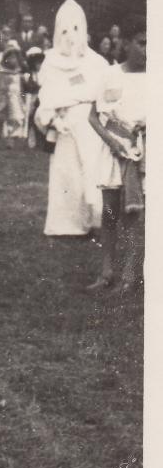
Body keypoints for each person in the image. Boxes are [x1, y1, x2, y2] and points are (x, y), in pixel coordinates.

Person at [34, 0, 109, 236]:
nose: (71, 36)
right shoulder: (51, 62)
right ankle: (65, 225)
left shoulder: (97, 62)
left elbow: (106, 93)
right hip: (65, 124)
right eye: (65, 30)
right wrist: (53, 119)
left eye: (76, 29)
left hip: (91, 123)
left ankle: (94, 220)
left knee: (92, 170)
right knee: (67, 174)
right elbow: (46, 96)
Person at [87, 15, 146, 292]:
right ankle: (107, 271)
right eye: (142, 43)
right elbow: (94, 117)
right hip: (114, 150)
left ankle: (129, 274)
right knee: (109, 212)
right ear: (126, 43)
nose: (147, 50)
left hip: (142, 153)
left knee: (134, 215)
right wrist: (112, 142)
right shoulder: (110, 74)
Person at [0, 40, 27, 139]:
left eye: (15, 58)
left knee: (14, 117)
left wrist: (21, 98)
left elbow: (20, 87)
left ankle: (12, 137)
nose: (13, 60)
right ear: (5, 58)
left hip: (14, 98)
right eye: (10, 57)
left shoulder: (17, 72)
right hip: (0, 97)